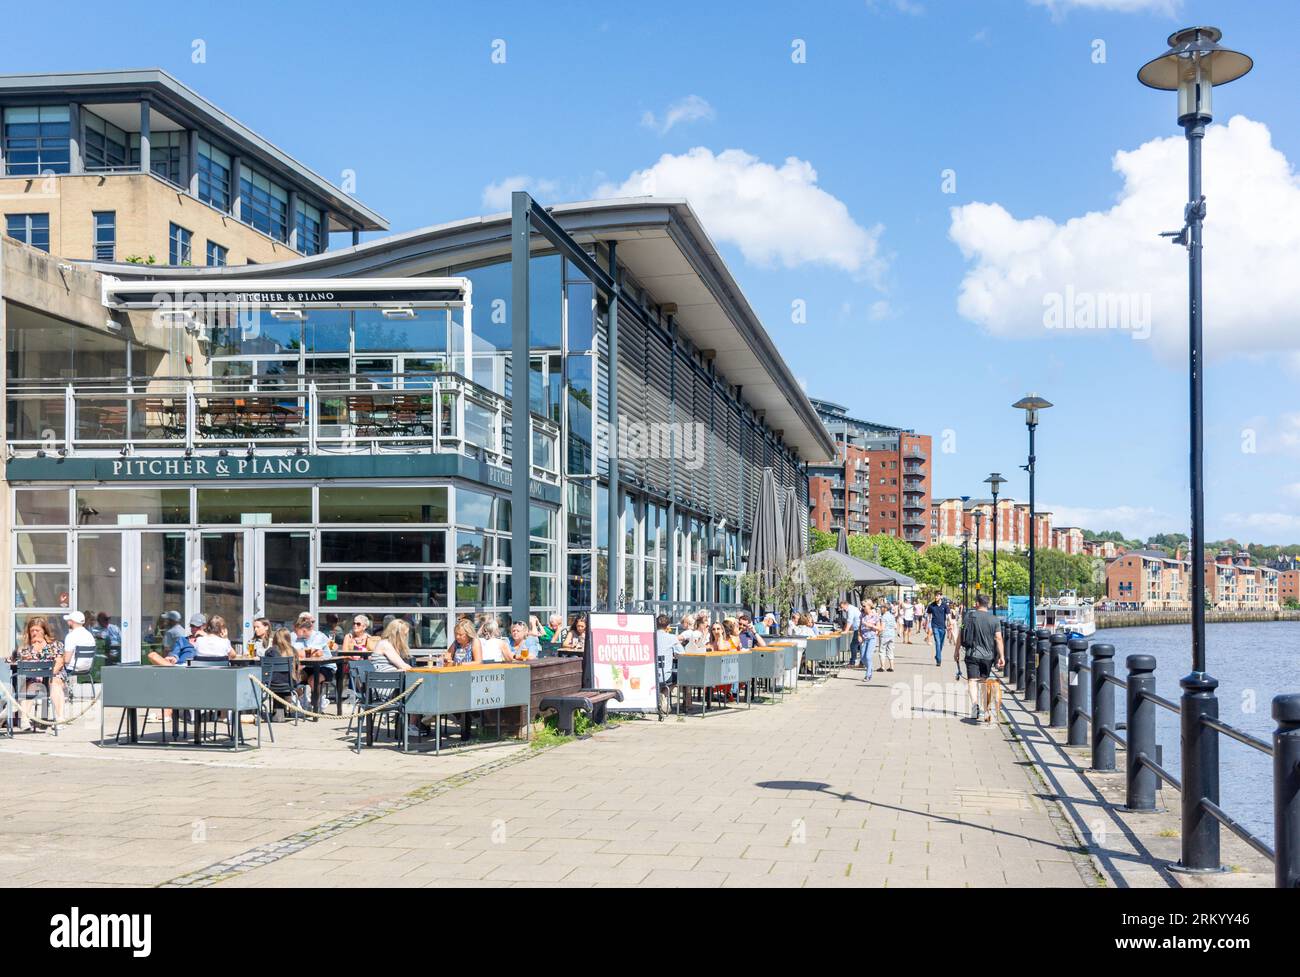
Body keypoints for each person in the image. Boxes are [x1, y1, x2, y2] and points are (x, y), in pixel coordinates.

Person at [955, 594, 1005, 723]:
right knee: (984, 682)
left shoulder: (968, 617)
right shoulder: (995, 620)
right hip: (988, 656)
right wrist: (1002, 656)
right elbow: (998, 638)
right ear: (987, 604)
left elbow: (961, 634)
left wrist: (956, 651)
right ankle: (986, 709)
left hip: (972, 654)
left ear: (977, 603)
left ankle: (974, 705)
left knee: (972, 680)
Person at [9, 616, 67, 726]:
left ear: (44, 631)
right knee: (30, 685)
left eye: (37, 630)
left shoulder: (56, 645)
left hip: (53, 674)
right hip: (34, 677)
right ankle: (25, 719)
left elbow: (59, 663)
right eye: (32, 630)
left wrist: (47, 674)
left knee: (54, 683)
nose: (34, 633)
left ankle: (60, 718)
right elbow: (11, 660)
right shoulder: (25, 648)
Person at [291, 612, 336, 710]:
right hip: (309, 667)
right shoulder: (298, 638)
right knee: (293, 677)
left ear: (303, 630)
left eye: (295, 630)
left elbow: (313, 653)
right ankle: (303, 699)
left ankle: (317, 703)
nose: (294, 633)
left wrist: (301, 652)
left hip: (325, 667)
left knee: (313, 680)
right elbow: (293, 652)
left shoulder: (318, 636)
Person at [858, 600, 881, 681]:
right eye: (862, 606)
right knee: (863, 658)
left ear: (869, 606)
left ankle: (868, 675)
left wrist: (871, 626)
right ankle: (870, 669)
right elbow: (859, 627)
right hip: (863, 638)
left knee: (868, 656)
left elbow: (879, 628)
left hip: (872, 638)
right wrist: (859, 635)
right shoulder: (862, 615)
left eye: (864, 606)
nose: (863, 608)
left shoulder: (875, 616)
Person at [654, 614, 677, 689]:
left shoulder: (650, 636)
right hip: (665, 677)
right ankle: (664, 694)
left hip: (650, 676)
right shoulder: (672, 638)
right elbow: (682, 653)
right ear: (668, 626)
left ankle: (660, 695)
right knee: (678, 676)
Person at [925, 594, 949, 667]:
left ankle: (937, 655)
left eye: (937, 596)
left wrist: (949, 624)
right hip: (934, 626)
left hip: (943, 627)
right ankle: (939, 660)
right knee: (938, 642)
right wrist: (927, 625)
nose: (936, 597)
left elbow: (948, 616)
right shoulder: (931, 605)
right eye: (935, 596)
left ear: (940, 597)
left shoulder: (945, 605)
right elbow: (929, 616)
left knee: (941, 644)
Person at [878, 601, 897, 672]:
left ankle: (882, 667)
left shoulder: (884, 616)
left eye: (882, 607)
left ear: (885, 608)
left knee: (882, 650)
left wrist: (878, 633)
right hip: (892, 635)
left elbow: (882, 627)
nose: (881, 608)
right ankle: (891, 667)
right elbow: (895, 627)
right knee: (890, 650)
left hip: (884, 635)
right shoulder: (892, 616)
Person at [842, 600, 862, 667]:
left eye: (842, 607)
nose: (842, 609)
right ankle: (861, 662)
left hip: (859, 628)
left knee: (853, 645)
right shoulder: (852, 608)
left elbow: (849, 621)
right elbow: (848, 621)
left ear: (846, 605)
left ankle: (852, 662)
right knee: (860, 645)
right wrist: (844, 629)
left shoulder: (851, 610)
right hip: (858, 628)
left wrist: (846, 631)